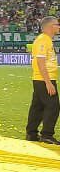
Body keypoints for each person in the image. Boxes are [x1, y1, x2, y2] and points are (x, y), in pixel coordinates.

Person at [26, 16, 59, 144]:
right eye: (57, 24)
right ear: (51, 26)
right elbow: (40, 62)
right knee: (53, 106)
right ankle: (47, 135)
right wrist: (48, 82)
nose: (58, 27)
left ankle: (32, 133)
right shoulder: (43, 40)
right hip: (44, 79)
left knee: (37, 106)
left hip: (40, 79)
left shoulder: (45, 40)